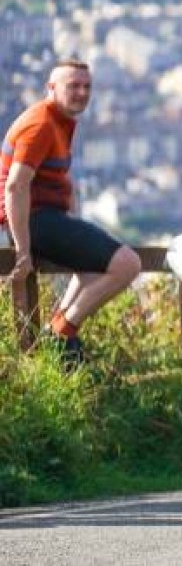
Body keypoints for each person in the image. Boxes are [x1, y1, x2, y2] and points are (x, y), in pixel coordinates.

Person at [1, 59, 143, 366]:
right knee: (128, 264)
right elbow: (14, 187)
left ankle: (60, 330)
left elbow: (56, 177)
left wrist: (72, 217)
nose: (81, 92)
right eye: (73, 86)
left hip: (46, 218)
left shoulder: (59, 122)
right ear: (51, 88)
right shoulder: (40, 124)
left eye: (87, 86)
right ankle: (63, 331)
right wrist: (23, 251)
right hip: (35, 221)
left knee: (94, 267)